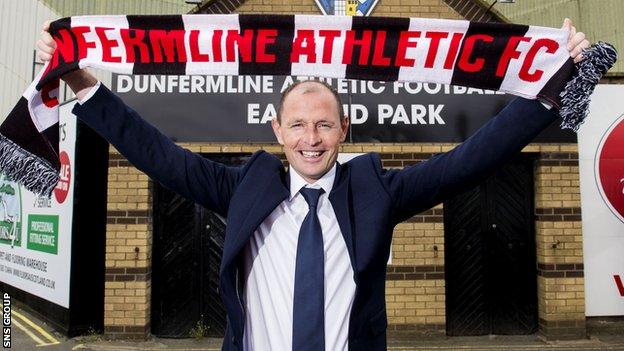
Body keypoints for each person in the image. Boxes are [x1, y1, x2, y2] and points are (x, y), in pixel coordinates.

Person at [38, 18, 589, 351]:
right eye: (298, 125)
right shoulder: (243, 186)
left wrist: (553, 83)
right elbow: (158, 154)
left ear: (344, 128)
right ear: (277, 130)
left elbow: (468, 160)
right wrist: (84, 85)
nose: (311, 138)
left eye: (324, 124)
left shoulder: (376, 189)